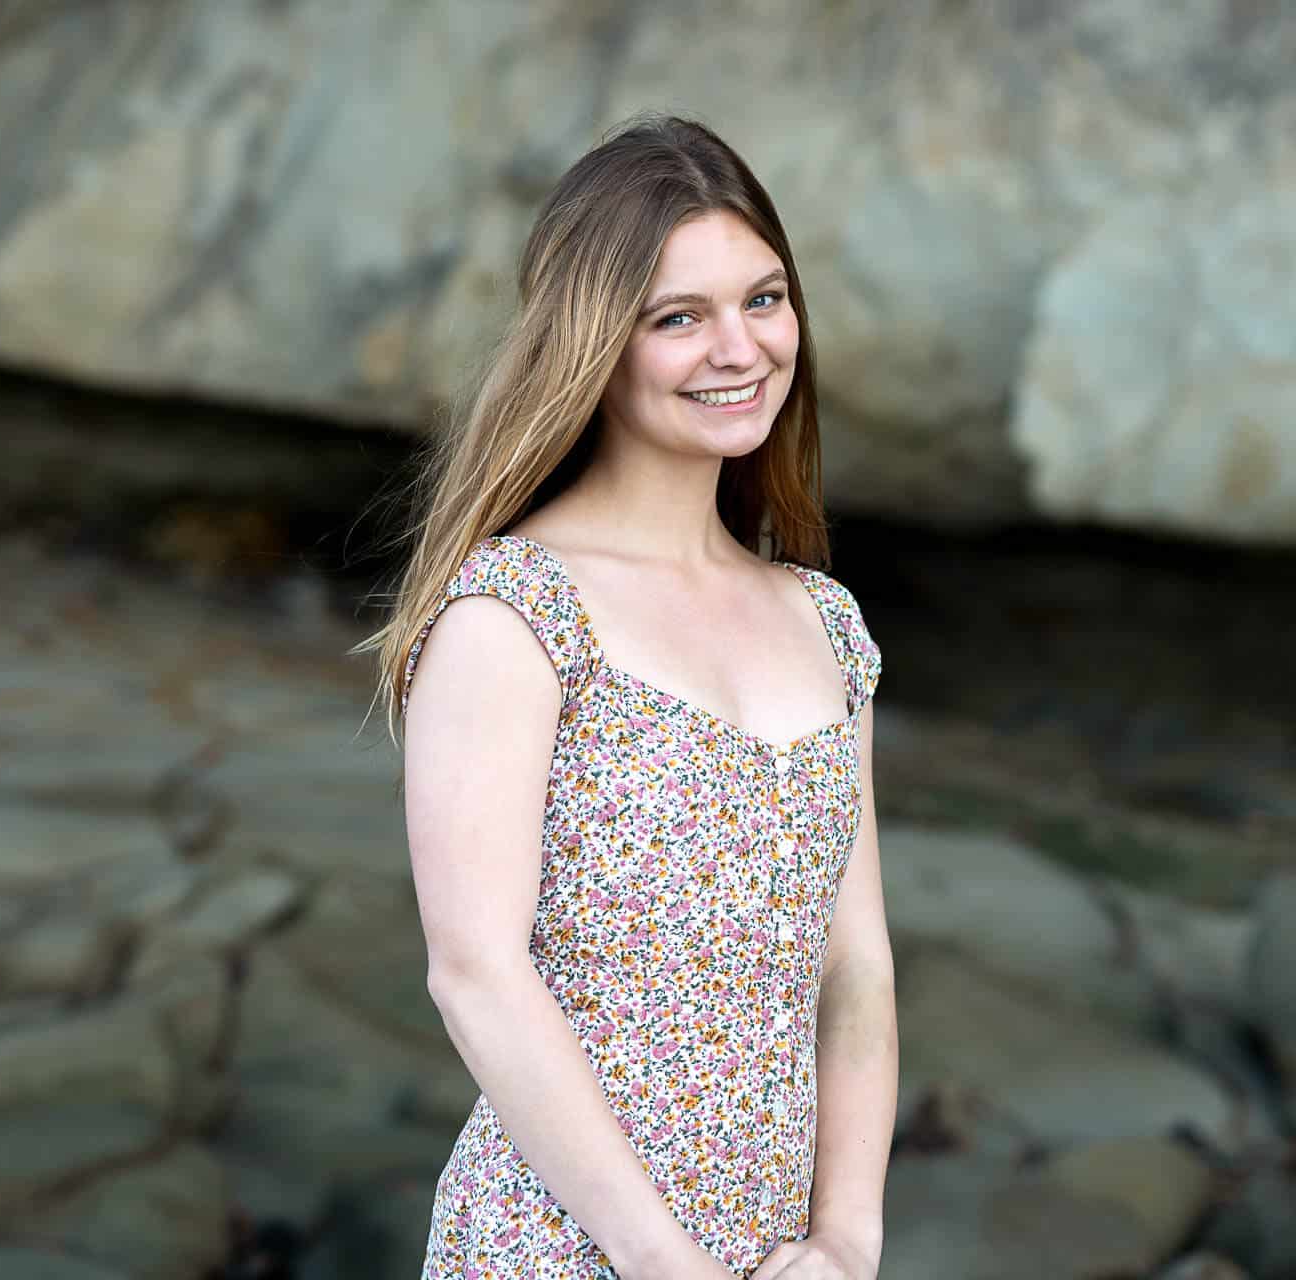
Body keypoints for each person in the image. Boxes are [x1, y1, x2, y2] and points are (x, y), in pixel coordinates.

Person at [365, 114, 896, 1279]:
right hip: (560, 1249)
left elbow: (854, 967)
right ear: (593, 342)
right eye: (677, 317)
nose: (738, 347)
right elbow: (474, 973)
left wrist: (845, 1239)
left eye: (762, 299)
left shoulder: (823, 621)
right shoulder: (512, 615)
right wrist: (666, 1264)